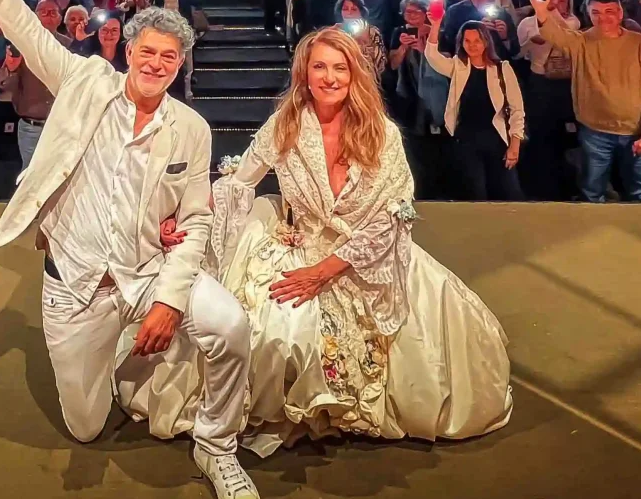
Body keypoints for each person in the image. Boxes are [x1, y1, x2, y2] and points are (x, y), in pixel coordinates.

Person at [0, 0, 259, 499]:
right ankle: (110, 349)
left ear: (179, 64)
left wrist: (170, 300)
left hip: (146, 272)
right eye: (148, 51)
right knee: (87, 425)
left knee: (231, 327)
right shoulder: (83, 81)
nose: (155, 64)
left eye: (169, 57)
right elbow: (24, 28)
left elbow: (196, 218)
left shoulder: (192, 128)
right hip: (77, 285)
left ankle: (218, 447)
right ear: (129, 49)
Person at [167, 25, 512, 456]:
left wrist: (326, 270)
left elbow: (393, 214)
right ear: (304, 73)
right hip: (301, 244)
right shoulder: (286, 125)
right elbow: (238, 183)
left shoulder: (381, 133)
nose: (330, 78)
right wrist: (182, 215)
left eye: (340, 68)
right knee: (274, 329)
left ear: (354, 74)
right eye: (319, 67)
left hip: (367, 255)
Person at [530, 0, 641, 203]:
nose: (603, 18)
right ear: (588, 14)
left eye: (609, 11)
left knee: (639, 192)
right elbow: (554, 34)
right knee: (591, 191)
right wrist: (541, 11)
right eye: (596, 13)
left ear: (620, 13)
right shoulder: (581, 41)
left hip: (636, 132)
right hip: (594, 132)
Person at [424, 17, 526, 200]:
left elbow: (517, 109)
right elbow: (432, 56)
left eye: (477, 40)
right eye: (467, 41)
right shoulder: (458, 66)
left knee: (509, 194)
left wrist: (515, 144)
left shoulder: (502, 69)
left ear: (486, 41)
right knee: (475, 195)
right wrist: (436, 24)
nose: (472, 45)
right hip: (466, 141)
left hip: (497, 139)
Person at [514, 0, 579, 201]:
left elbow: (567, 37)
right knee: (541, 133)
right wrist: (531, 41)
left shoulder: (573, 21)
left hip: (564, 83)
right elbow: (519, 53)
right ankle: (540, 185)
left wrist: (549, 13)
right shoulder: (526, 23)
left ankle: (564, 185)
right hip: (538, 82)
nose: (557, 3)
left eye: (562, 0)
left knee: (562, 136)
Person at [0, 0, 71, 168]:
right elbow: (2, 83)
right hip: (32, 127)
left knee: (59, 175)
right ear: (34, 16)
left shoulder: (69, 46)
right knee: (31, 175)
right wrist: (11, 68)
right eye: (43, 12)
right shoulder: (21, 45)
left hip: (61, 126)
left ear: (60, 18)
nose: (48, 16)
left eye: (52, 12)